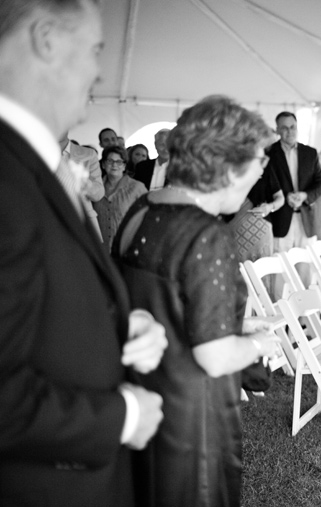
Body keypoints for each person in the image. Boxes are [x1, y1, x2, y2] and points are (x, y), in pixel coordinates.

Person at [0, 1, 167, 505]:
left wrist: (120, 324)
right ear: (47, 39)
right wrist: (123, 418)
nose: (98, 72)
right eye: (95, 49)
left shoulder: (29, 160)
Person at [113, 95, 281, 506]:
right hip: (194, 413)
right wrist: (261, 344)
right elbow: (215, 357)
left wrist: (234, 322)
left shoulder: (142, 207)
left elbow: (164, 303)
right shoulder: (207, 234)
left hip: (146, 392)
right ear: (227, 168)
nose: (261, 173)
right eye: (258, 162)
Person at [266, 111, 321, 252]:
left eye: (292, 127)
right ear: (277, 130)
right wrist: (283, 196)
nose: (290, 131)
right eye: (284, 128)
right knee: (279, 264)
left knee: (305, 264)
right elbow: (264, 187)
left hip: (306, 220)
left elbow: (320, 184)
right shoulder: (268, 154)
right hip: (279, 220)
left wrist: (305, 196)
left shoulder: (310, 153)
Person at [93, 146, 147, 249]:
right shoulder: (94, 187)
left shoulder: (137, 187)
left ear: (124, 166)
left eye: (119, 162)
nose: (114, 165)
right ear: (103, 164)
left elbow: (146, 218)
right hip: (99, 249)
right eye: (110, 161)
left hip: (126, 248)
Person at [61, 134, 105, 241]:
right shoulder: (36, 151)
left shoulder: (88, 154)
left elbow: (99, 193)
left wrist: (84, 182)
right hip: (49, 219)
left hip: (83, 221)